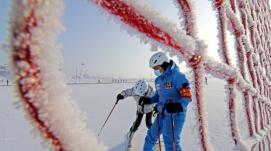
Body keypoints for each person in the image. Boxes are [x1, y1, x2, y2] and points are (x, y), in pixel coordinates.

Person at [139, 52, 192, 151]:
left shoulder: (178, 76)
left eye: (156, 68)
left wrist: (178, 106)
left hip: (175, 115)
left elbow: (187, 96)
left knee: (171, 144)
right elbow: (158, 96)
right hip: (161, 114)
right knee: (150, 137)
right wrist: (149, 100)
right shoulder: (158, 80)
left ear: (163, 64)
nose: (155, 71)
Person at [116, 80, 155, 151]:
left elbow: (157, 99)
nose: (138, 96)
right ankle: (129, 140)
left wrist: (157, 107)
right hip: (140, 110)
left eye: (140, 95)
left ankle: (154, 139)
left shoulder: (152, 93)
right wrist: (121, 95)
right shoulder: (135, 90)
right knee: (136, 124)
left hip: (149, 110)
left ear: (145, 92)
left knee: (149, 124)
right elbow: (127, 92)